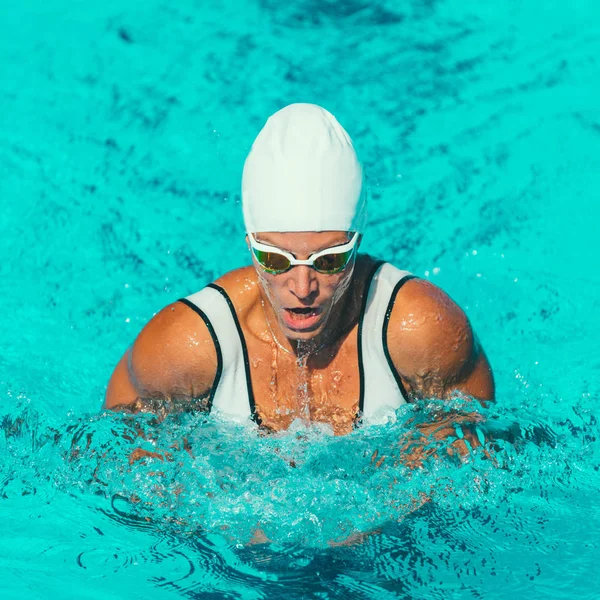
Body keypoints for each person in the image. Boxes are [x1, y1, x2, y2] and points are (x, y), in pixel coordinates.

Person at [104, 103, 494, 438]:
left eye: (328, 261)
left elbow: (482, 460)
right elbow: (111, 455)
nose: (302, 286)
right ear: (251, 248)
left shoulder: (420, 330)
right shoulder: (188, 344)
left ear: (357, 246)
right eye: (276, 260)